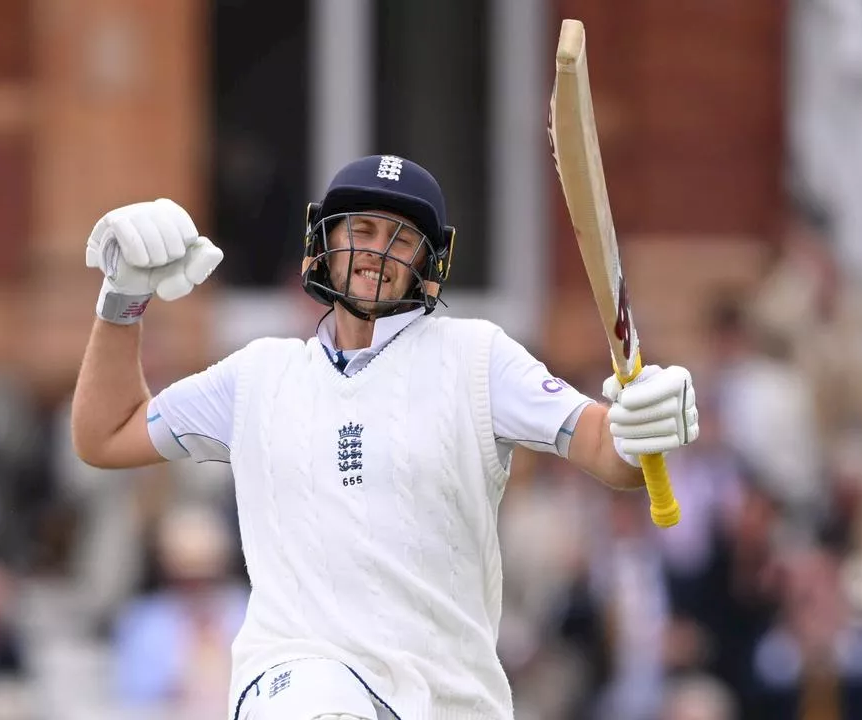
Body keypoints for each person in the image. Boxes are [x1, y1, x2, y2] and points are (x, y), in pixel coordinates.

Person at [71, 155, 701, 720]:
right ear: (324, 243)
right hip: (296, 678)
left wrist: (643, 425)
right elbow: (106, 435)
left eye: (402, 238)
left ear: (428, 265)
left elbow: (605, 453)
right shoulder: (257, 374)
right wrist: (123, 300)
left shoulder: (476, 357)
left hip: (452, 696)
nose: (378, 250)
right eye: (362, 230)